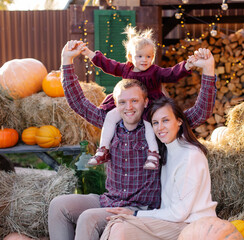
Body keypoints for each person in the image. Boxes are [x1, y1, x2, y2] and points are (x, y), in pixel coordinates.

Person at [47, 40, 216, 240]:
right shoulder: (110, 124)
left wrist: (208, 71)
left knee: (88, 218)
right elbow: (78, 103)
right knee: (58, 205)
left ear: (146, 102)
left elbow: (199, 112)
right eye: (123, 102)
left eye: (135, 101)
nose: (129, 107)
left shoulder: (157, 129)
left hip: (139, 207)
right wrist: (66, 61)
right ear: (115, 104)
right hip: (110, 200)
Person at [100, 96, 217, 240]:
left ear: (179, 121)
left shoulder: (190, 155)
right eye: (155, 123)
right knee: (118, 223)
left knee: (121, 226)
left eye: (165, 120)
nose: (160, 127)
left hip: (193, 225)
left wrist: (136, 214)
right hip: (172, 221)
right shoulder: (166, 152)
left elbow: (179, 213)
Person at [81, 26, 193, 170]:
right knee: (110, 116)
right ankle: (103, 149)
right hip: (129, 104)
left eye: (148, 56)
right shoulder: (125, 69)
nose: (144, 60)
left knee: (148, 123)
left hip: (150, 104)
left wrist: (186, 66)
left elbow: (171, 73)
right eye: (139, 56)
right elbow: (108, 65)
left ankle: (153, 154)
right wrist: (90, 53)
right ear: (130, 57)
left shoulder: (155, 71)